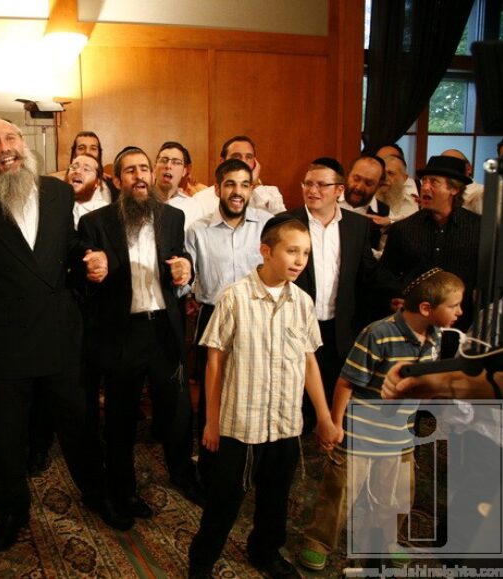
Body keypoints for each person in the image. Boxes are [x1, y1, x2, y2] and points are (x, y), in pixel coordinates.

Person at [0, 117, 127, 552]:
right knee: (7, 435)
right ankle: (13, 509)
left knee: (79, 425)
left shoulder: (58, 192)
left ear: (24, 144)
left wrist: (91, 257)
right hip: (5, 338)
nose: (4, 147)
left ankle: (96, 493)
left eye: (10, 137)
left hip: (59, 332)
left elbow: (68, 244)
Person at [188, 215, 338, 579]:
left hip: (284, 422)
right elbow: (214, 360)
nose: (300, 260)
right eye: (292, 251)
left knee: (276, 497)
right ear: (266, 251)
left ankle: (265, 551)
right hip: (242, 423)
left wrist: (323, 416)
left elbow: (308, 361)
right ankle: (202, 560)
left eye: (306, 253)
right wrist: (211, 421)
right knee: (225, 499)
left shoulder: (302, 302)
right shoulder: (235, 297)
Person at [297, 268, 464, 571]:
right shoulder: (378, 333)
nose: (460, 312)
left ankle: (386, 540)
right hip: (361, 433)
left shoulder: (436, 337)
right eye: (454, 306)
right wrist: (335, 424)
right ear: (426, 308)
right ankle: (318, 540)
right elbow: (347, 381)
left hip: (400, 436)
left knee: (396, 496)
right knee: (340, 492)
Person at [78, 146, 200, 521]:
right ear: (117, 180)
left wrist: (186, 268)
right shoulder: (95, 222)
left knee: (177, 410)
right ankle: (123, 490)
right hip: (122, 332)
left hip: (163, 328)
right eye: (130, 171)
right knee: (121, 416)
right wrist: (92, 268)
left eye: (144, 168)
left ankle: (183, 474)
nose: (140, 176)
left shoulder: (173, 217)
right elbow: (83, 273)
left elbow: (179, 258)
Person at [185, 158, 272, 478]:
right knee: (213, 393)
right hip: (214, 315)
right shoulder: (198, 230)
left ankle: (250, 464)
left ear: (251, 189)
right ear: (218, 188)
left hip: (258, 317)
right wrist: (184, 286)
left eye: (244, 185)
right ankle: (209, 468)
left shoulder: (267, 225)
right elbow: (186, 279)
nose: (238, 192)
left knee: (254, 391)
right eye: (231, 184)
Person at [287, 157, 380, 433]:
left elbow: (367, 275)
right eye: (308, 184)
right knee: (298, 392)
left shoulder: (357, 225)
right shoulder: (287, 221)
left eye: (321, 185)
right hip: (297, 322)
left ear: (339, 190)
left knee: (333, 385)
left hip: (339, 323)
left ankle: (328, 430)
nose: (312, 190)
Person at [380, 155, 480, 337]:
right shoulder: (403, 229)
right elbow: (386, 274)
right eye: (424, 181)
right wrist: (394, 297)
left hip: (459, 326)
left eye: (434, 182)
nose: (425, 187)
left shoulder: (479, 229)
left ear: (454, 189)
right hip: (411, 326)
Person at [195, 136, 287, 217]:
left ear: (255, 163)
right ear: (222, 162)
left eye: (249, 157)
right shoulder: (202, 199)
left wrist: (254, 183)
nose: (243, 162)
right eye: (236, 156)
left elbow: (280, 223)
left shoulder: (271, 193)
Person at [153, 141, 205, 228]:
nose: (168, 166)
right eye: (164, 160)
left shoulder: (193, 207)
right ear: (155, 167)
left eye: (176, 162)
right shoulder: (140, 201)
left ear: (184, 171)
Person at [65, 152, 107, 227]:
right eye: (74, 167)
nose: (77, 171)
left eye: (86, 169)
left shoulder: (104, 212)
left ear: (97, 182)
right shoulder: (54, 204)